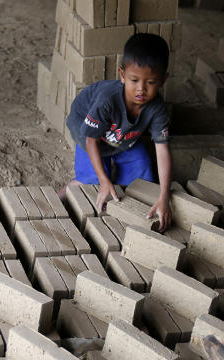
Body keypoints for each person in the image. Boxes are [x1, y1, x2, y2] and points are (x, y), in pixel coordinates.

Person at [62, 33, 172, 232]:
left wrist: (163, 197)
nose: (141, 89)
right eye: (134, 80)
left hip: (123, 137)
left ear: (163, 80)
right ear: (122, 75)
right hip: (89, 132)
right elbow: (91, 141)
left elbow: (162, 149)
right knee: (93, 181)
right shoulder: (107, 100)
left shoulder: (157, 108)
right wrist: (104, 181)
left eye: (151, 82)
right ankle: (59, 197)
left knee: (144, 176)